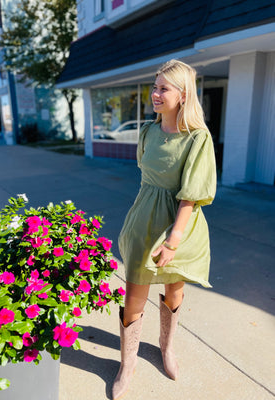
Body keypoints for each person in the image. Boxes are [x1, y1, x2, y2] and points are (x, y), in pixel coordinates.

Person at [112, 59, 217, 400]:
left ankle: (165, 348)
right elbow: (147, 177)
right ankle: (127, 364)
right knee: (133, 298)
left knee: (173, 294)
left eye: (163, 89)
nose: (155, 94)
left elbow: (191, 195)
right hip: (144, 219)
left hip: (179, 227)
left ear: (183, 95)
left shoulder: (197, 138)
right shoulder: (148, 132)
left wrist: (173, 239)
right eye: (154, 87)